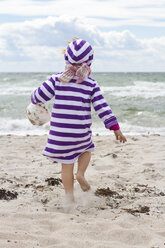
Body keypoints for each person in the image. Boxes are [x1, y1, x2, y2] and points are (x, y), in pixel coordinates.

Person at [31, 38, 127, 203]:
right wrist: (115, 127)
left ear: (66, 59)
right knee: (86, 149)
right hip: (80, 133)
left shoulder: (56, 80)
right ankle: (81, 174)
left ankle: (69, 198)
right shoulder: (91, 84)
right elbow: (102, 107)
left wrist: (35, 102)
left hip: (60, 135)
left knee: (66, 165)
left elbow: (36, 97)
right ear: (89, 62)